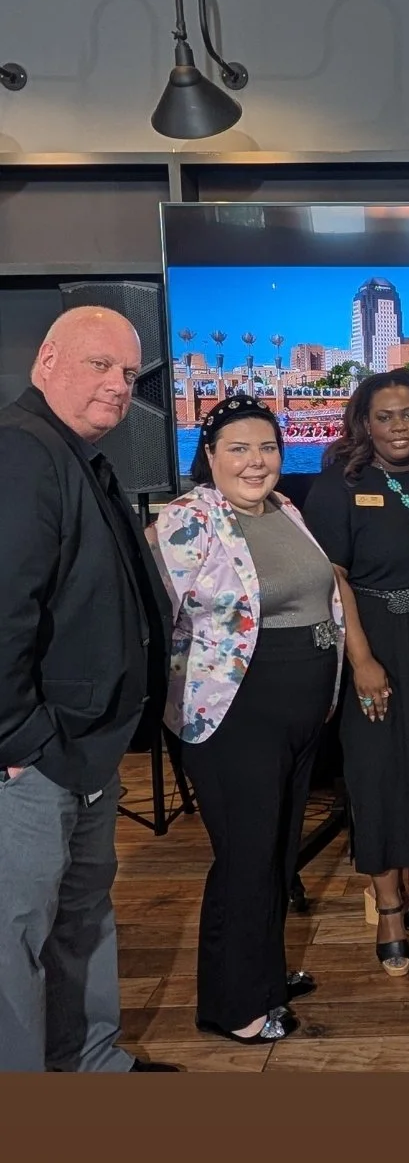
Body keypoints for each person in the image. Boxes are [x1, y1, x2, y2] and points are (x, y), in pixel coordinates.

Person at [0, 306, 177, 1073]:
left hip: (86, 746)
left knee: (82, 918)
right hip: (38, 757)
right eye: (99, 365)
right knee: (18, 939)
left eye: (128, 373)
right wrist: (18, 739)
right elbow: (5, 608)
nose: (117, 386)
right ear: (47, 360)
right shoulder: (23, 451)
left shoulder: (71, 452)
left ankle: (94, 1066)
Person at [149, 395, 345, 1044]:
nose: (255, 461)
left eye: (266, 447)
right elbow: (150, 603)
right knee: (246, 857)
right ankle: (235, 1007)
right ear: (209, 456)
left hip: (298, 711)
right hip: (236, 715)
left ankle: (261, 973)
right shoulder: (190, 518)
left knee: (275, 854)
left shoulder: (286, 508)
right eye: (238, 448)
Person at [303, 370, 409, 978]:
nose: (398, 427)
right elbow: (334, 578)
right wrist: (363, 660)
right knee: (377, 774)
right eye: (384, 417)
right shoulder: (338, 486)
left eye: (408, 414)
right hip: (370, 639)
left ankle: (408, 887)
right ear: (362, 424)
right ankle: (390, 906)